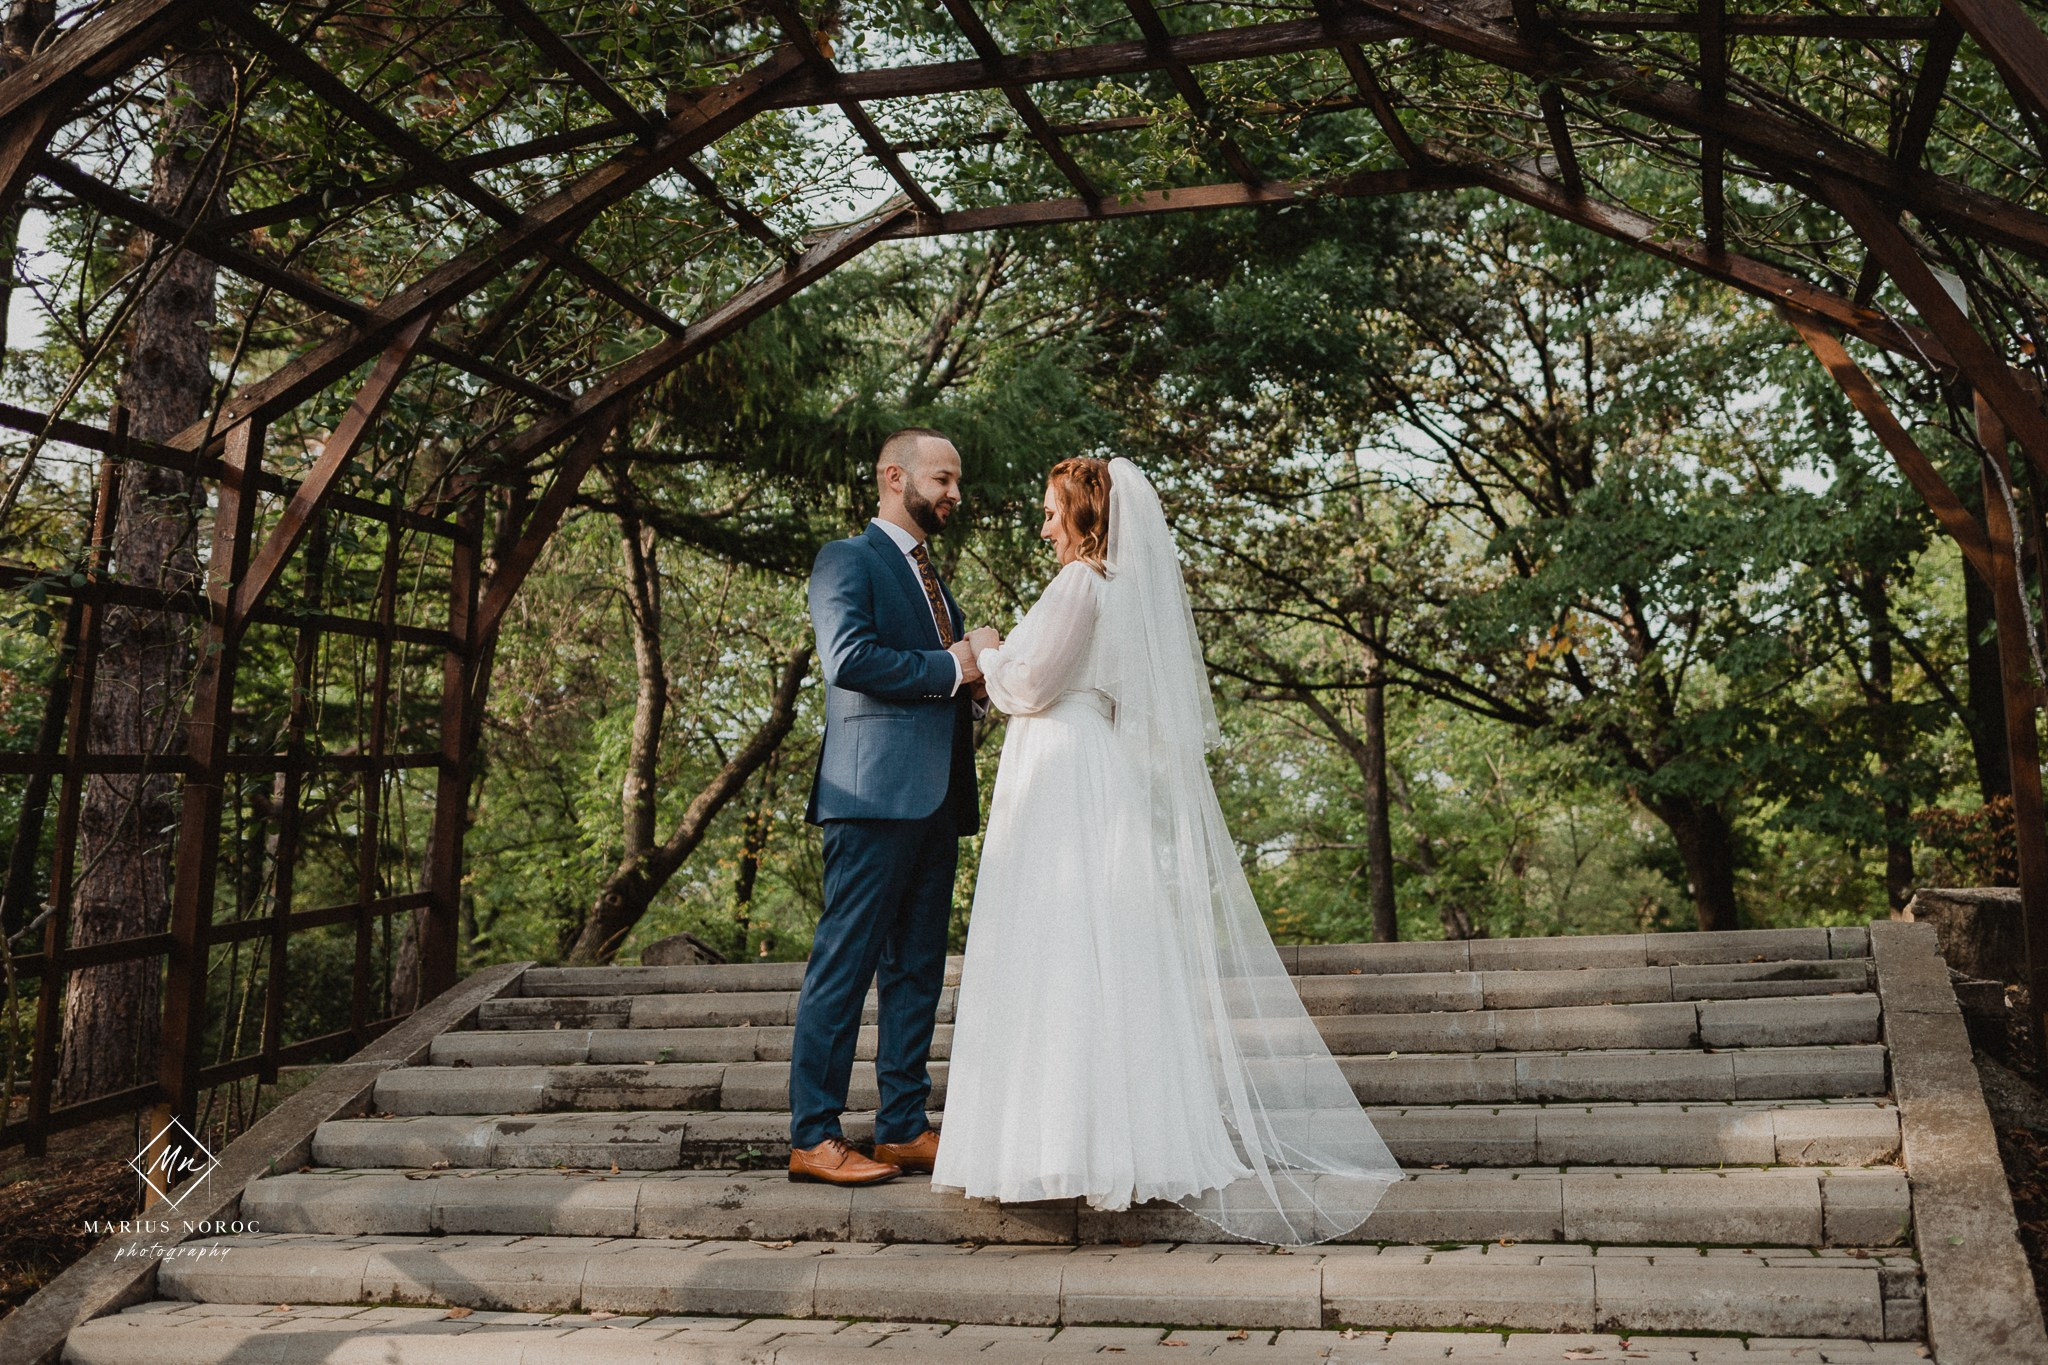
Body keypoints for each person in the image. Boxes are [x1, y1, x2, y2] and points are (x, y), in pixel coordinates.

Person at [930, 456, 1403, 1245]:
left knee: (1065, 949)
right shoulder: (1107, 589)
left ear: (1085, 515)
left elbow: (1036, 684)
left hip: (1063, 768)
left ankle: (1071, 1146)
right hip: (1069, 764)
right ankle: (1062, 1138)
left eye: (1053, 511)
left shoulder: (1084, 582)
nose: (1043, 524)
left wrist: (987, 647)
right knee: (1072, 949)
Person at [788, 428, 994, 1186]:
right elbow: (850, 657)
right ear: (893, 474)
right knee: (843, 967)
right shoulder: (848, 559)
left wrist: (973, 693)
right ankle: (814, 1135)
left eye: (957, 482)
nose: (954, 495)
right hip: (869, 796)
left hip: (937, 800)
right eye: (943, 478)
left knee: (917, 970)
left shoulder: (938, 582)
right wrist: (954, 663)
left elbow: (940, 685)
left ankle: (903, 1124)